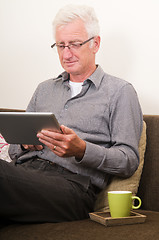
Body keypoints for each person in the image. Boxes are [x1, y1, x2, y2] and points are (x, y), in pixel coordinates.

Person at [0, 4, 143, 223]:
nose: (66, 54)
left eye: (75, 44)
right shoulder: (44, 89)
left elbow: (128, 161)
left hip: (72, 187)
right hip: (24, 174)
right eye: (60, 45)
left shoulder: (120, 92)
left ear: (95, 43)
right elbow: (14, 151)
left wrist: (82, 150)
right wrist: (25, 144)